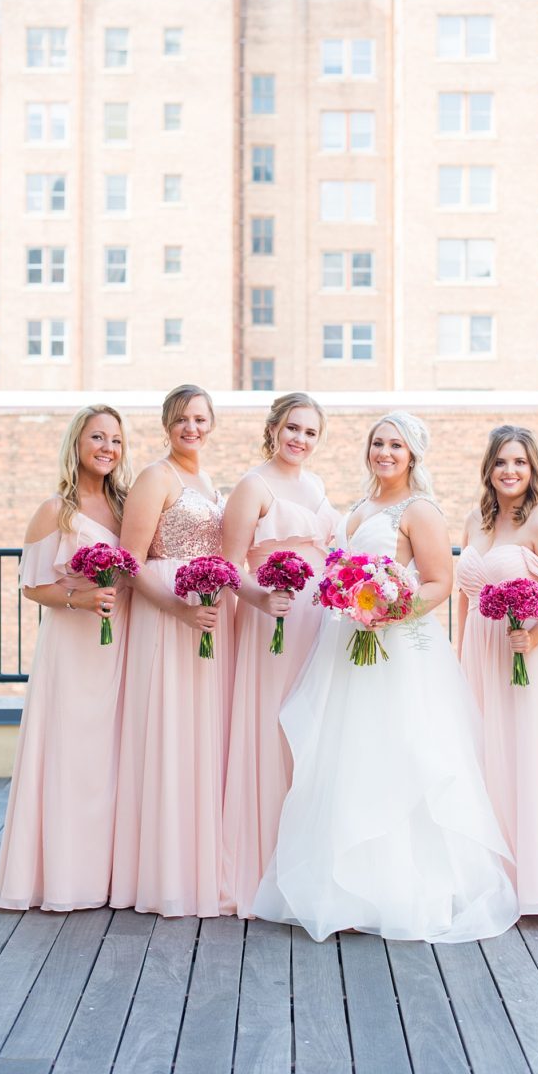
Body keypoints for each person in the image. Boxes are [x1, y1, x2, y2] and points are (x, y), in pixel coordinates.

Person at [253, 412, 519, 943]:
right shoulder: (358, 508)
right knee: (347, 756)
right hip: (345, 645)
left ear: (413, 455)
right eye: (378, 443)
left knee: (397, 756)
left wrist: (389, 612)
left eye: (396, 445)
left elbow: (440, 582)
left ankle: (401, 890)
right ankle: (344, 890)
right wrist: (345, 600)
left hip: (396, 650)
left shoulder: (419, 510)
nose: (385, 453)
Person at [0, 405, 132, 911]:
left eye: (115, 439)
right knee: (70, 757)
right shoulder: (56, 510)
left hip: (117, 647)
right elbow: (33, 586)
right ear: (77, 443)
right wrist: (81, 599)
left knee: (110, 760)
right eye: (97, 437)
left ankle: (107, 876)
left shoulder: (124, 507)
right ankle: (63, 879)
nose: (107, 448)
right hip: (71, 649)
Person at [110, 385, 232, 918]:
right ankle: (164, 874)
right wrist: (181, 610)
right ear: (166, 423)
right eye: (182, 419)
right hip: (166, 616)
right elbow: (128, 563)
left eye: (201, 419)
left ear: (212, 424)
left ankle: (198, 863)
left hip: (205, 614)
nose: (192, 428)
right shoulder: (155, 477)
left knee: (199, 738)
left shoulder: (205, 479)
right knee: (167, 735)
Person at [457, 425, 538, 915]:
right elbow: (466, 597)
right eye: (501, 462)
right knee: (484, 756)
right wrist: (457, 655)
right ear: (488, 468)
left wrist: (532, 637)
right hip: (479, 654)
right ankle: (489, 874)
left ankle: (531, 882)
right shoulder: (474, 520)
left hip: (527, 653)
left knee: (525, 755)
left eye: (520, 463)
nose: (510, 471)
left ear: (532, 470)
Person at [220, 393, 338, 917]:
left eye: (310, 433)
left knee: (310, 730)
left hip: (318, 621)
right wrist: (263, 598)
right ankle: (259, 863)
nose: (300, 440)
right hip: (274, 622)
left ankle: (304, 862)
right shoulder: (253, 486)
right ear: (273, 429)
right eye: (292, 428)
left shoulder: (314, 485)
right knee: (272, 729)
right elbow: (228, 566)